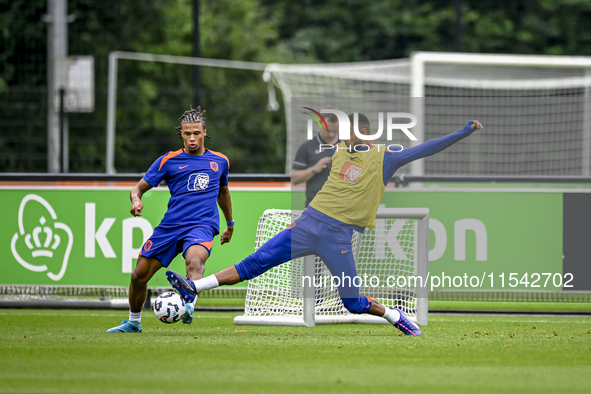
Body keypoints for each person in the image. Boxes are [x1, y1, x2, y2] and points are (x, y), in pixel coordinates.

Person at [167, 115, 483, 336]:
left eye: (353, 133)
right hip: (307, 225)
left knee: (354, 302)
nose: (346, 137)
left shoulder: (385, 156)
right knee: (255, 263)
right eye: (345, 132)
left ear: (367, 135)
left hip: (338, 237)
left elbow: (426, 148)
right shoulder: (337, 151)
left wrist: (463, 132)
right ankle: (194, 287)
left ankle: (394, 316)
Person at [107, 106, 234, 333]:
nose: (192, 138)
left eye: (196, 133)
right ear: (181, 134)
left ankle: (188, 307)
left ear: (205, 132)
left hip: (202, 225)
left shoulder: (220, 161)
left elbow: (223, 193)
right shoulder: (169, 161)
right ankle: (133, 322)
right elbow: (138, 189)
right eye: (187, 134)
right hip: (171, 226)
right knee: (138, 276)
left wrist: (230, 224)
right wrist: (136, 201)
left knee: (195, 263)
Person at [291, 109, 340, 206]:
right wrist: (314, 169)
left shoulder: (349, 146)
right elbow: (294, 179)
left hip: (342, 208)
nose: (332, 134)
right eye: (328, 130)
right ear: (319, 122)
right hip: (315, 208)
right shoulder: (307, 147)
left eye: (335, 131)